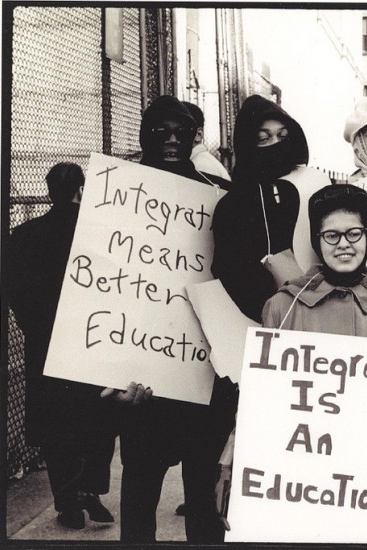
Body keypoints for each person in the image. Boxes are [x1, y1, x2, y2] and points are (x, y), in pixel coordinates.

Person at [215, 184, 367, 519]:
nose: (344, 244)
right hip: (302, 480)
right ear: (317, 240)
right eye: (331, 236)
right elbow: (259, 398)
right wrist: (232, 465)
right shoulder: (284, 306)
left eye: (354, 233)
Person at [116, 95, 237, 543]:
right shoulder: (117, 194)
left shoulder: (216, 195)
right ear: (144, 135)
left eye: (181, 132)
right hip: (141, 372)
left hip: (200, 368)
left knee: (203, 493)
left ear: (194, 138)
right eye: (159, 131)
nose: (170, 139)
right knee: (141, 487)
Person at [8, 162, 118, 530]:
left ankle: (67, 501)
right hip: (93, 338)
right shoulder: (99, 233)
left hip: (46, 343)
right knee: (98, 416)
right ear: (82, 190)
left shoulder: (22, 235)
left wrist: (34, 328)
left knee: (57, 424)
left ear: (50, 190)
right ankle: (92, 488)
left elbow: (12, 290)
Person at [211, 95, 325, 322]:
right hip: (264, 320)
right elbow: (232, 271)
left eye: (283, 136)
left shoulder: (312, 185)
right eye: (264, 139)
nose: (276, 145)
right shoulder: (233, 205)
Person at [182, 101, 231, 181]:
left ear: (198, 135)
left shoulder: (200, 165)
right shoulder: (198, 161)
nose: (173, 137)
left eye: (181, 130)